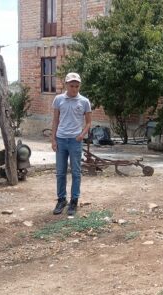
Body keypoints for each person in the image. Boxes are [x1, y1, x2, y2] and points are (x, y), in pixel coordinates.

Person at [51, 72, 92, 216]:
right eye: (71, 86)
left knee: (76, 172)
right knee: (60, 172)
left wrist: (82, 135)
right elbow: (55, 120)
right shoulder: (58, 99)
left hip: (75, 141)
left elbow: (88, 122)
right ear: (66, 85)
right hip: (61, 139)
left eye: (76, 86)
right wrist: (53, 139)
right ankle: (61, 200)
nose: (74, 88)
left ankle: (74, 200)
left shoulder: (84, 101)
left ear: (79, 85)